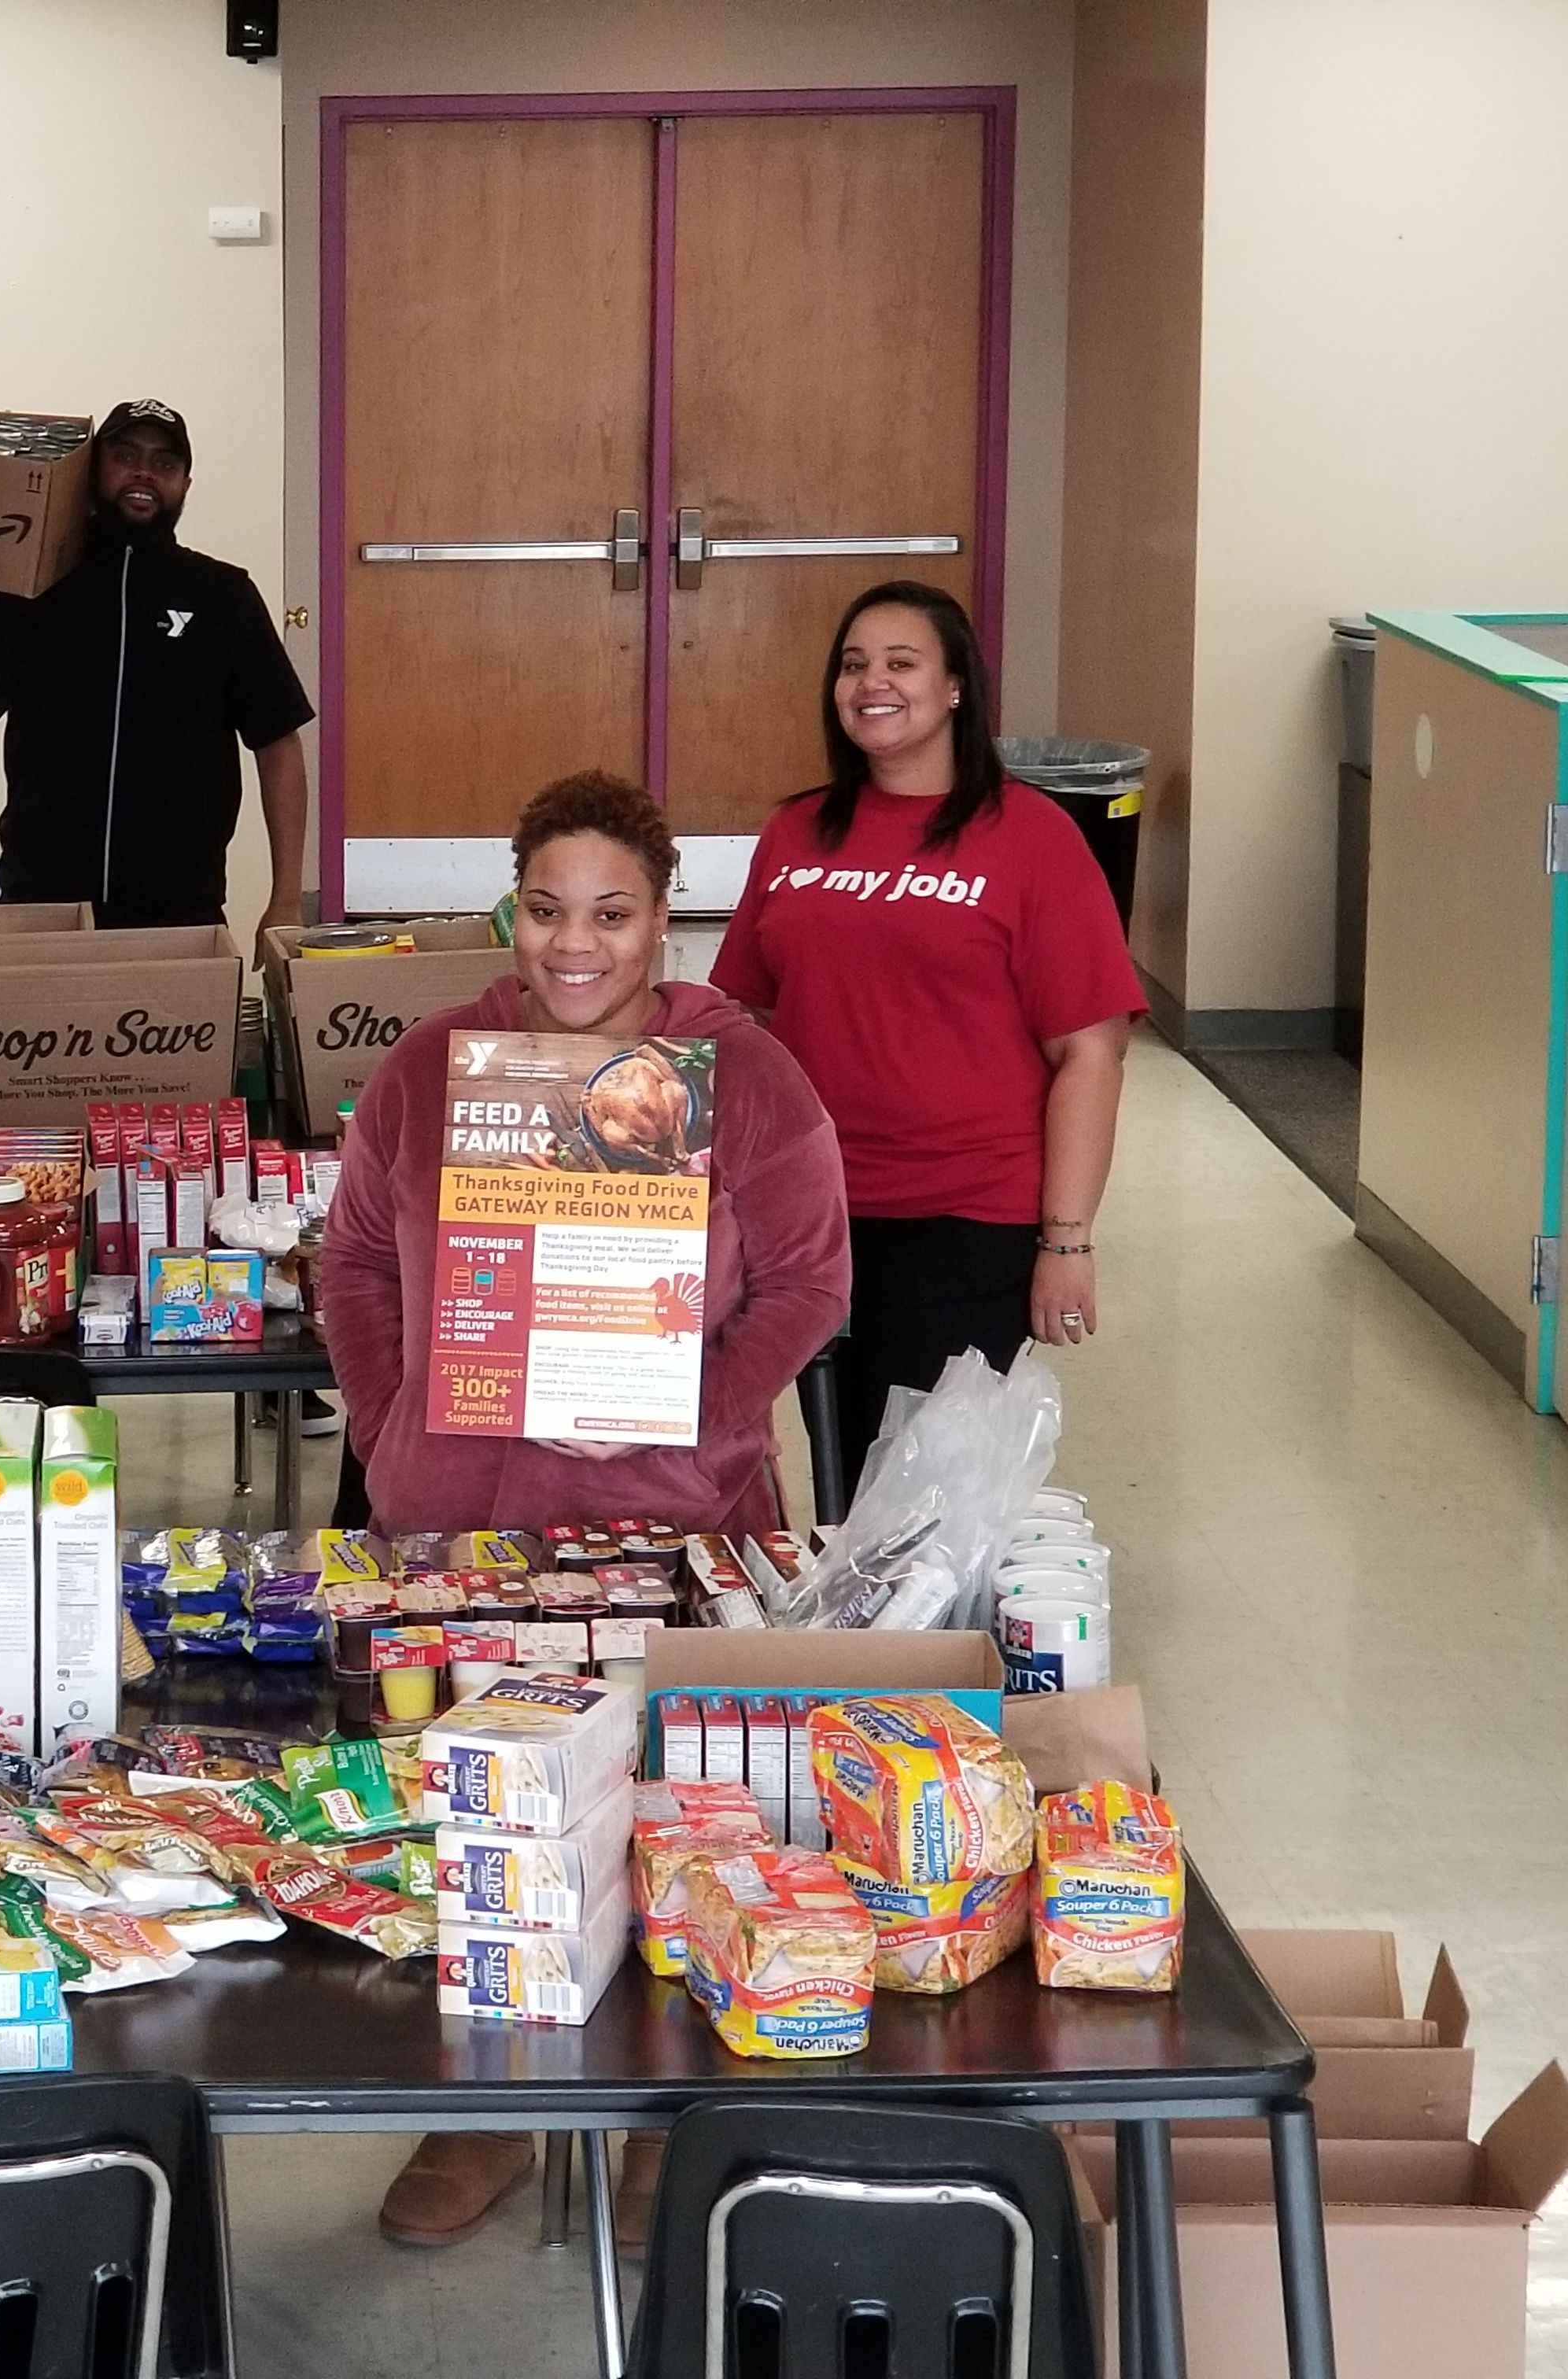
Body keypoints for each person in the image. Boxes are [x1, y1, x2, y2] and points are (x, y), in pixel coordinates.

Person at [317, 770, 849, 2247]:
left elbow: (809, 1285)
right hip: (458, 1521)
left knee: (664, 1826)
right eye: (547, 907)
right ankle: (484, 2109)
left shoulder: (744, 1079)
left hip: (667, 1516)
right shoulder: (436, 1066)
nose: (576, 942)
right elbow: (355, 1257)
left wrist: (693, 1416)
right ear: (511, 909)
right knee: (474, 1819)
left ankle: (660, 2115)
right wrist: (385, 1415)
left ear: (659, 921)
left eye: (611, 912)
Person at [709, 581, 1140, 1507]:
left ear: (955, 688)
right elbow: (744, 1019)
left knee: (915, 1482)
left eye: (902, 663)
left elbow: (1090, 1054)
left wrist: (1067, 1242)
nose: (873, 682)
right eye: (853, 664)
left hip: (961, 1212)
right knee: (828, 1460)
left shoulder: (1033, 839)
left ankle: (930, 1650)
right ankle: (856, 1644)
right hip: (808, 1207)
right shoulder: (797, 831)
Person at [0, 401, 315, 932]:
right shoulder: (33, 592)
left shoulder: (224, 597)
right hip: (41, 909)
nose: (144, 473)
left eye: (164, 463)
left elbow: (278, 746)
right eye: (125, 456)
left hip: (180, 918)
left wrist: (285, 900)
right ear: (92, 469)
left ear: (185, 485)